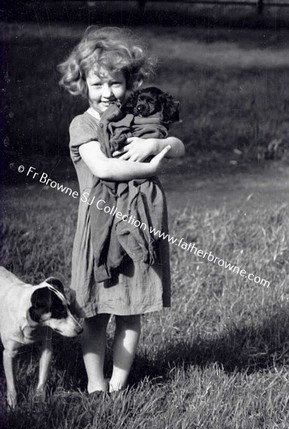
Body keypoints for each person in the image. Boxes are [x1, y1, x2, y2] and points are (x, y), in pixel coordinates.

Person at [58, 26, 185, 394]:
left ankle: (118, 384)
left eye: (115, 84)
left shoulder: (138, 119)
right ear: (82, 85)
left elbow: (179, 146)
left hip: (139, 228)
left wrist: (156, 144)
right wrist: (150, 168)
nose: (107, 93)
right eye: (97, 85)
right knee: (95, 313)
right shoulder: (82, 125)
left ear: (129, 84)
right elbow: (104, 168)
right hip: (99, 232)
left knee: (131, 312)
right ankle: (96, 386)